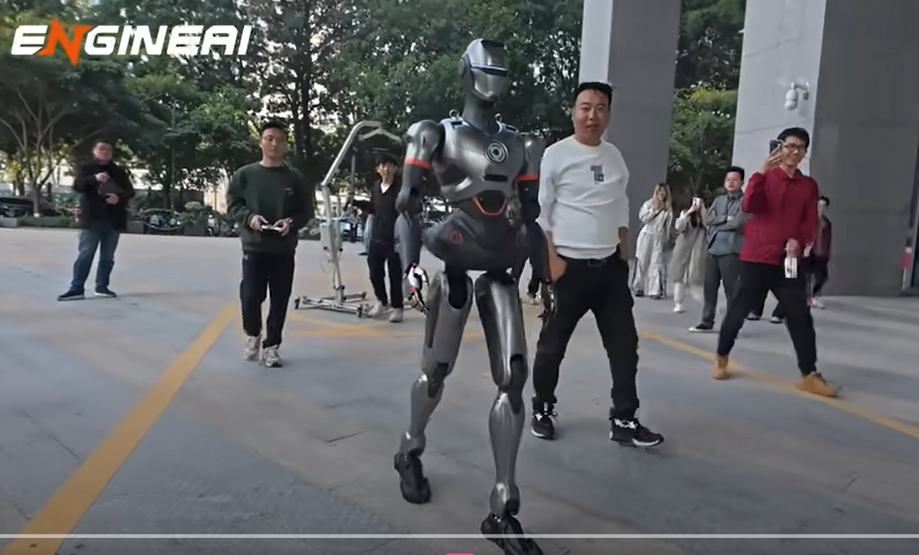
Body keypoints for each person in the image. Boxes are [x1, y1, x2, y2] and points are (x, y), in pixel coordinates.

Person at [391, 39, 548, 555]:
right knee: (436, 369)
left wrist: (544, 275)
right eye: (487, 69)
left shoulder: (521, 143)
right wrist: (411, 266)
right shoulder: (435, 133)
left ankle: (503, 506)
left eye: (501, 71)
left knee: (513, 378)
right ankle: (409, 448)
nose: (494, 79)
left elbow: (530, 215)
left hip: (501, 265)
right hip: (455, 259)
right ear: (468, 72)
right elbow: (408, 204)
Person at [529, 81, 664, 449]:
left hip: (609, 270)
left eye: (600, 108)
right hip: (568, 270)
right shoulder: (556, 154)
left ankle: (624, 418)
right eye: (585, 107)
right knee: (552, 345)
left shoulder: (614, 157)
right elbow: (543, 211)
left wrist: (622, 253)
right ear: (574, 112)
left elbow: (620, 206)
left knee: (624, 347)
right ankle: (542, 409)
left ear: (608, 115)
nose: (592, 115)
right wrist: (552, 262)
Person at [712, 127, 836, 397]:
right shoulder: (765, 177)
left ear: (804, 153)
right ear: (780, 148)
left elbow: (809, 221)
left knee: (800, 316)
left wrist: (800, 243)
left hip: (787, 262)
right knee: (738, 310)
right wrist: (760, 171)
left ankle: (808, 373)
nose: (794, 152)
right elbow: (749, 206)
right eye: (790, 146)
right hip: (756, 258)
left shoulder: (808, 185)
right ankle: (721, 356)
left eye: (800, 148)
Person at [226, 121, 311, 368]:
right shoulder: (245, 175)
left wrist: (290, 222)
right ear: (260, 142)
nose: (274, 144)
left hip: (283, 248)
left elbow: (306, 211)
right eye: (269, 138)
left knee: (280, 298)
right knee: (251, 294)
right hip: (254, 246)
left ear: (285, 145)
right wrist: (250, 218)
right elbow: (233, 204)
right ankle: (253, 333)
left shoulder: (295, 178)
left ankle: (272, 345)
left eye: (280, 140)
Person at [58, 140, 135, 301]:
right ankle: (76, 288)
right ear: (94, 151)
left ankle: (102, 286)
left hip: (113, 219)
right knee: (85, 254)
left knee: (107, 257)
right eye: (101, 149)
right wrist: (94, 178)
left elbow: (130, 191)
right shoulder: (86, 168)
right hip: (92, 218)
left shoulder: (118, 171)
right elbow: (77, 186)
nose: (105, 152)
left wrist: (118, 198)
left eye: (108, 150)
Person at [689, 167, 747, 331]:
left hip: (731, 250)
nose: (731, 182)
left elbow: (739, 223)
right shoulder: (719, 200)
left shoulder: (745, 201)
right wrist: (725, 219)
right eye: (728, 179)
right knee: (709, 288)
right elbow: (707, 219)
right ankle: (707, 321)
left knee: (732, 290)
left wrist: (718, 224)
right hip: (713, 248)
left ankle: (732, 323)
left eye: (735, 179)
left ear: (741, 182)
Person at [364, 153, 405, 322]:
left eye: (389, 165)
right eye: (383, 165)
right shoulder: (376, 187)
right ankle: (381, 301)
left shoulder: (401, 189)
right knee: (375, 273)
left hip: (395, 238)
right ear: (377, 169)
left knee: (395, 275)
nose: (386, 169)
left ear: (395, 168)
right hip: (377, 236)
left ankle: (397, 307)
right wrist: (356, 203)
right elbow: (374, 208)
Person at [631, 183, 674, 299]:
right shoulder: (649, 204)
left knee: (656, 263)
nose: (661, 193)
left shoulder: (668, 208)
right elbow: (643, 218)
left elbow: (667, 225)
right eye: (659, 191)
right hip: (647, 234)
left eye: (663, 191)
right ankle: (638, 286)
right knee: (642, 260)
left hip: (658, 237)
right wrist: (654, 210)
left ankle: (654, 290)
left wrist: (666, 238)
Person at [669, 197, 708, 313]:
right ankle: (678, 302)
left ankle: (707, 304)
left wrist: (703, 210)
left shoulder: (705, 216)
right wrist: (690, 211)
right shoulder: (685, 213)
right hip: (683, 249)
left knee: (696, 278)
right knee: (679, 277)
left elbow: (709, 225)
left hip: (698, 250)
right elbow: (679, 226)